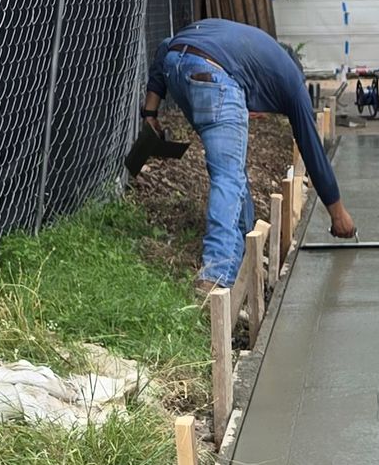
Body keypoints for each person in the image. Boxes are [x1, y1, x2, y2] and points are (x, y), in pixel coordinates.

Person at [135, 18, 355, 297]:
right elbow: (312, 149)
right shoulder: (292, 80)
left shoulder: (247, 45)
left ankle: (245, 244)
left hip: (177, 68)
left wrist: (150, 114)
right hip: (214, 77)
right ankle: (217, 275)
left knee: (230, 169)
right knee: (227, 176)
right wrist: (338, 214)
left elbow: (166, 47)